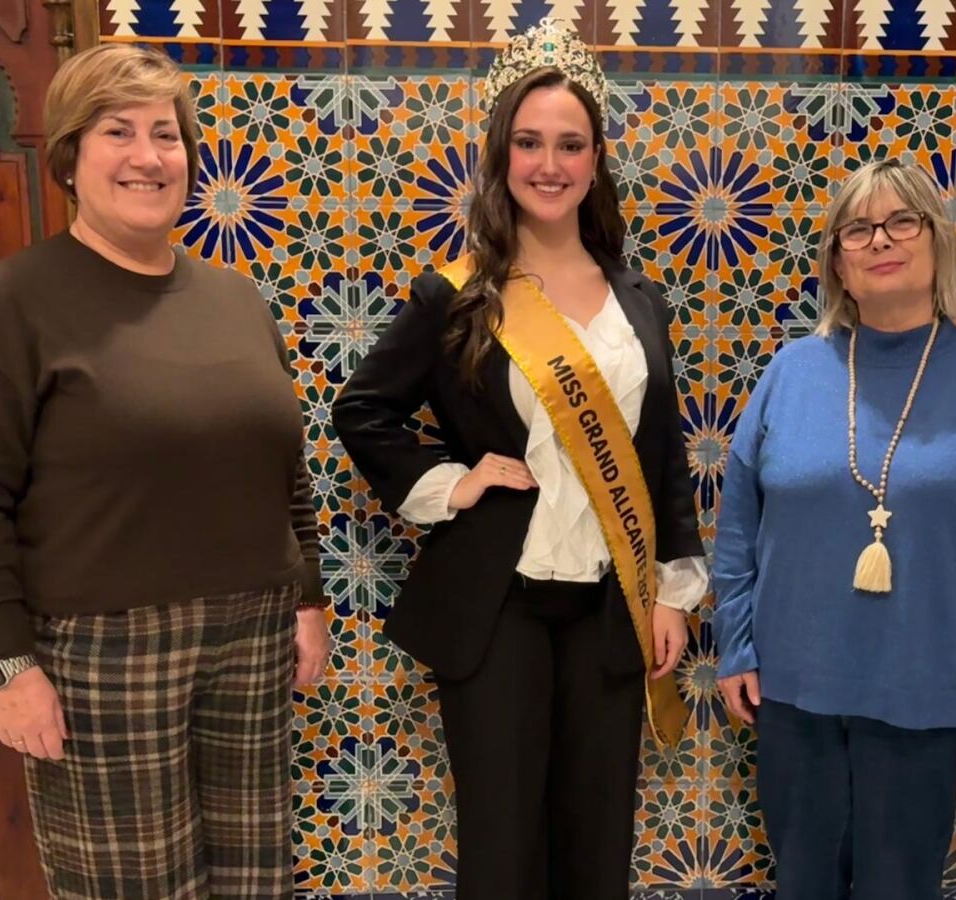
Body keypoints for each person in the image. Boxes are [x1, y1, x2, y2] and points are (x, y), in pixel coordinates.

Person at [0, 43, 330, 899]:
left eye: (165, 134)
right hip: (102, 655)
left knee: (256, 885)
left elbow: (282, 466)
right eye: (118, 131)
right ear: (70, 156)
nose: (148, 156)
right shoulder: (12, 302)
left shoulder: (235, 299)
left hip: (252, 638)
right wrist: (6, 666)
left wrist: (308, 599)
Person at [331, 19, 705, 900]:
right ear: (502, 154)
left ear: (596, 159)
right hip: (498, 607)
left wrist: (673, 592)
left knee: (598, 842)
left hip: (611, 606)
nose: (549, 163)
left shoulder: (640, 302)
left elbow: (660, 456)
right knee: (502, 852)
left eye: (570, 144)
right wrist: (451, 484)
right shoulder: (458, 295)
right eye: (529, 142)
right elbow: (363, 410)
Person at [712, 157, 956, 900]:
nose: (880, 240)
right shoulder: (790, 373)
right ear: (837, 261)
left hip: (927, 693)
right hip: (793, 694)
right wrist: (736, 645)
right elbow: (739, 523)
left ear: (938, 239)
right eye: (858, 229)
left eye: (902, 221)